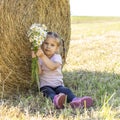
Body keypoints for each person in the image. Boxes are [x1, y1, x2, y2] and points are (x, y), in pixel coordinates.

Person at [32, 32, 93, 109]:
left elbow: (53, 67)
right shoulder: (40, 58)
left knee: (66, 91)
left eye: (52, 45)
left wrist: (42, 56)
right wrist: (35, 59)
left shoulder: (57, 57)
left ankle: (76, 101)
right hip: (45, 86)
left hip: (58, 85)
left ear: (57, 48)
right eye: (46, 43)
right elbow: (39, 72)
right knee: (49, 93)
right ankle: (56, 100)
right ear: (42, 45)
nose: (48, 47)